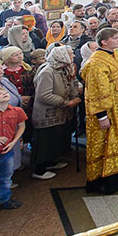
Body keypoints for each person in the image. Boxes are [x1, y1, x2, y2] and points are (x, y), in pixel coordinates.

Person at [81, 28, 118, 194]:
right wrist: (101, 116)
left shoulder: (113, 54)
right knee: (108, 141)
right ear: (104, 42)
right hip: (108, 110)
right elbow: (96, 91)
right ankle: (106, 180)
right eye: (115, 38)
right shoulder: (96, 63)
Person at [31, 45, 80, 180]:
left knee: (54, 140)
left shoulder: (65, 68)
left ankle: (50, 162)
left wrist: (75, 94)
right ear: (61, 56)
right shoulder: (47, 71)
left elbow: (73, 83)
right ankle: (39, 170)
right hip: (47, 113)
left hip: (60, 113)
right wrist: (67, 103)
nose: (73, 56)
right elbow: (44, 95)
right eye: (70, 53)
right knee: (44, 142)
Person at [0, 87, 26, 210]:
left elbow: (21, 126)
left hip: (7, 152)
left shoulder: (17, 111)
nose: (4, 94)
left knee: (5, 177)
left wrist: (14, 141)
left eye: (5, 93)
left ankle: (4, 200)